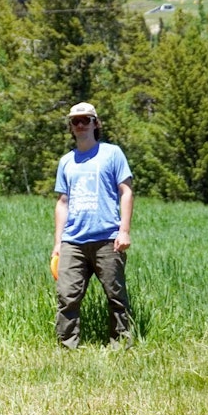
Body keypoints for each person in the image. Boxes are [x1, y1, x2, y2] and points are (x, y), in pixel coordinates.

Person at [52, 101, 133, 349]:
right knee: (67, 297)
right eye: (75, 121)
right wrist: (58, 243)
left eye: (85, 120)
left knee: (116, 296)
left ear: (96, 124)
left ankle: (121, 345)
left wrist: (124, 231)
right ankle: (67, 346)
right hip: (73, 241)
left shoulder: (112, 153)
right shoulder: (66, 161)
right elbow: (62, 202)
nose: (79, 125)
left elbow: (126, 191)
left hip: (108, 238)